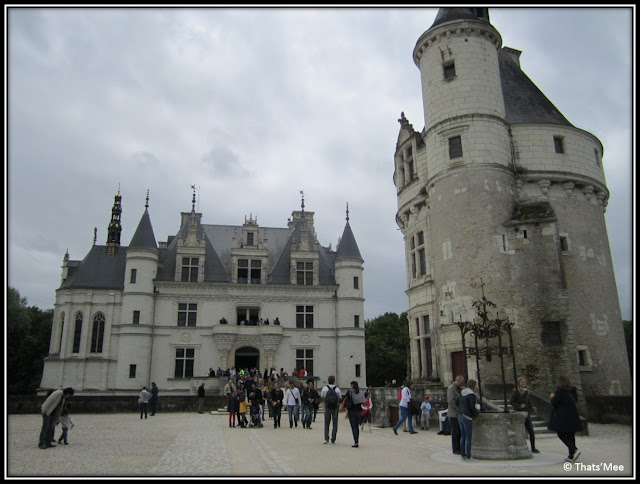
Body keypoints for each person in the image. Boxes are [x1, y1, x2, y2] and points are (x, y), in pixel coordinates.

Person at [548, 375, 583, 462]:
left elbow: (554, 403)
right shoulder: (573, 391)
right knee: (571, 435)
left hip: (564, 417)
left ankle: (573, 449)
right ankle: (571, 456)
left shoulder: (560, 392)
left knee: (561, 434)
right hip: (573, 416)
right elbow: (575, 401)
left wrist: (552, 397)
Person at [510, 376, 540, 454]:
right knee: (519, 432)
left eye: (525, 382)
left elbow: (528, 402)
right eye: (522, 382)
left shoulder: (527, 392)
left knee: (531, 432)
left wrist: (531, 408)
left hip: (526, 414)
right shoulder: (516, 391)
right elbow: (512, 402)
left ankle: (533, 448)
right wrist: (519, 406)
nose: (524, 383)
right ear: (519, 383)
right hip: (519, 414)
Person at [458, 379, 480, 461]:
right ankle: (468, 456)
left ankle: (463, 455)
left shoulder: (462, 393)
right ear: (474, 386)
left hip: (460, 415)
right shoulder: (471, 395)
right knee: (468, 437)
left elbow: (457, 402)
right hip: (467, 416)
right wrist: (476, 412)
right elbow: (472, 407)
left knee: (463, 436)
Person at [343, 381, 366, 447]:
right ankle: (357, 440)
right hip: (359, 411)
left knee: (354, 427)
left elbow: (345, 398)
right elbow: (363, 402)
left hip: (351, 411)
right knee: (357, 427)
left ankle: (356, 441)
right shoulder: (361, 392)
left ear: (352, 385)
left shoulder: (350, 392)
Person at [447, 375, 466, 454]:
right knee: (456, 431)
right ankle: (456, 449)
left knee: (460, 431)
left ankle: (460, 448)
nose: (462, 384)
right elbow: (451, 401)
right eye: (461, 382)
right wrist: (458, 409)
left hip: (459, 413)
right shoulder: (451, 388)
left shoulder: (460, 388)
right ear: (457, 381)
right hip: (454, 414)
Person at [321, 376, 342, 444]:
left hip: (327, 407)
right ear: (334, 381)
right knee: (335, 423)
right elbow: (340, 398)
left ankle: (326, 438)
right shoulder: (337, 389)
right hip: (335, 408)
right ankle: (333, 438)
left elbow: (322, 397)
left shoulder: (324, 388)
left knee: (327, 423)